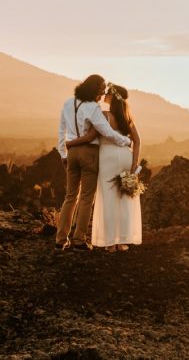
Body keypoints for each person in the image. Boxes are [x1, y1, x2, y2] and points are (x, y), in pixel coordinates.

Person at [55, 74, 133, 251]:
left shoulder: (68, 103)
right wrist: (126, 142)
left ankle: (60, 239)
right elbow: (107, 132)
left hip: (71, 154)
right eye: (100, 90)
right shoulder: (93, 108)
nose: (102, 93)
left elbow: (61, 131)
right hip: (89, 153)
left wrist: (63, 154)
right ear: (92, 89)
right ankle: (79, 240)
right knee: (86, 198)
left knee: (70, 196)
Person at [72, 83, 142, 251]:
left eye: (107, 93)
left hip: (108, 158)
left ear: (112, 97)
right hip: (126, 156)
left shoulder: (104, 116)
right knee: (125, 198)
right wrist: (134, 162)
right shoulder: (128, 118)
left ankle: (110, 243)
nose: (104, 95)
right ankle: (123, 241)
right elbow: (137, 141)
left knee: (109, 198)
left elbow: (91, 135)